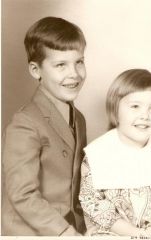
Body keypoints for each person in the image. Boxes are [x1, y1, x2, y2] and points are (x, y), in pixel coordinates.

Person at [2, 16, 87, 236]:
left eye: (79, 61)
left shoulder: (78, 118)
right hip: (31, 232)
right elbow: (22, 194)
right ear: (35, 70)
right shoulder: (25, 124)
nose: (74, 74)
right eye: (61, 65)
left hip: (70, 227)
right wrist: (65, 233)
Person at [79, 69, 151, 236]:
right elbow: (92, 201)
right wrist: (132, 232)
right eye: (135, 106)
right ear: (115, 110)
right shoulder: (99, 153)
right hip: (112, 232)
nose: (144, 115)